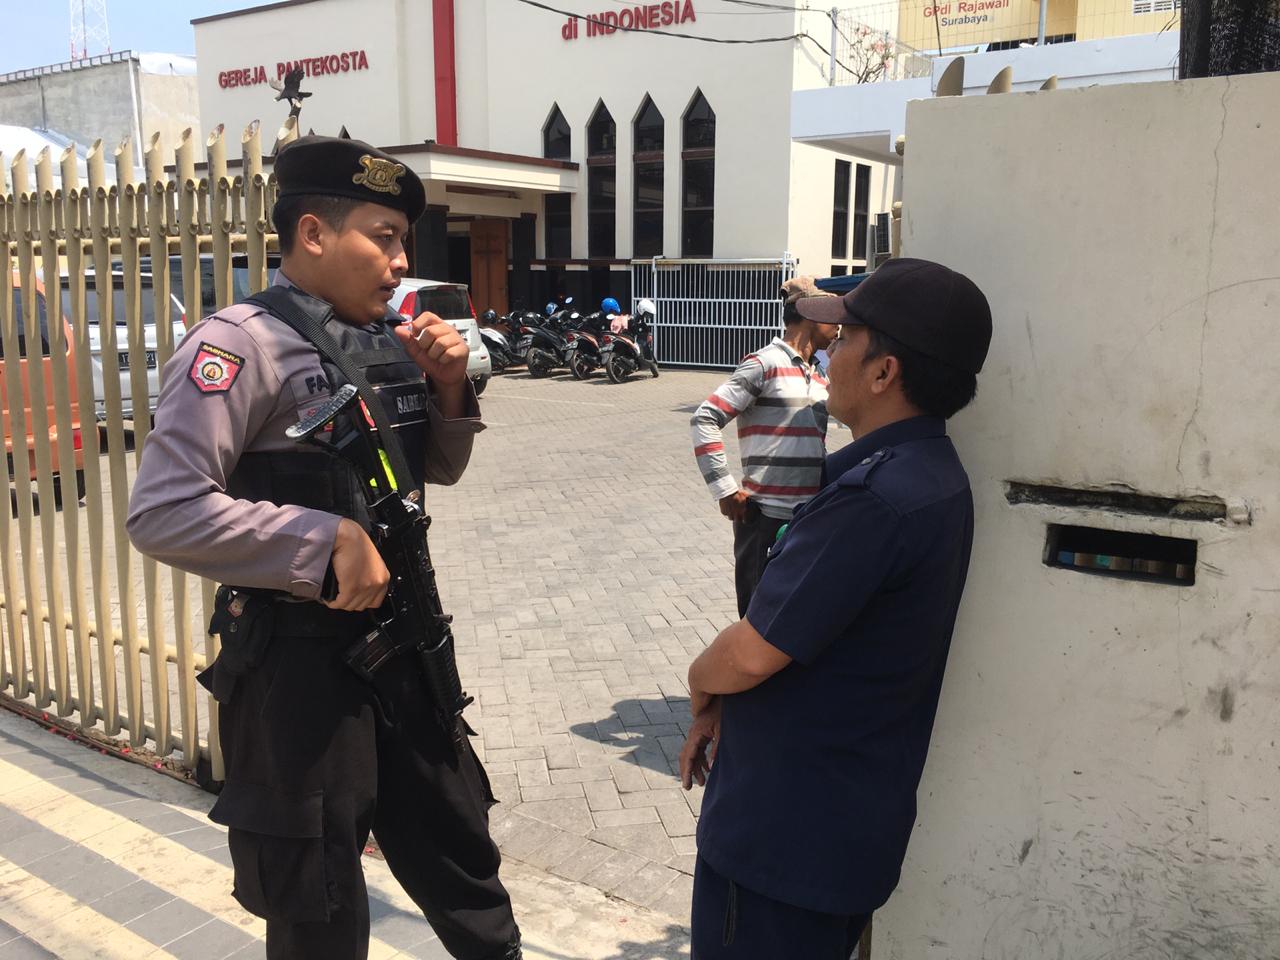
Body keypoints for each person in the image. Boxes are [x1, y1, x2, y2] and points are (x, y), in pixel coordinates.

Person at [127, 135, 522, 960]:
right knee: (318, 904)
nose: (401, 261)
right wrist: (323, 537)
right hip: (300, 673)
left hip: (407, 652)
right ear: (313, 233)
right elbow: (162, 510)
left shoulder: (390, 337)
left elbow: (434, 471)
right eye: (384, 237)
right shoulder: (238, 344)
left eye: (403, 240)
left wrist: (450, 386)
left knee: (464, 864)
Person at [678, 258, 993, 959]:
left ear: (884, 372)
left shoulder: (872, 500)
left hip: (781, 844)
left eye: (846, 338)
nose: (829, 352)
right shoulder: (932, 475)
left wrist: (700, 685)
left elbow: (750, 653)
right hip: (841, 830)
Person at [689, 277, 838, 617]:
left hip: (808, 520)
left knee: (795, 619)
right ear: (809, 313)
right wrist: (725, 489)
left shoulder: (820, 375)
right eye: (831, 313)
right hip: (764, 522)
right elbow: (704, 418)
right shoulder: (763, 364)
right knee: (757, 619)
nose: (838, 324)